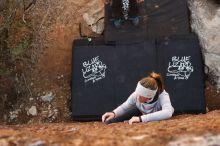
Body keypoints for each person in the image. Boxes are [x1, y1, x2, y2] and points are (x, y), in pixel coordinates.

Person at [102, 72, 174, 125]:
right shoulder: (136, 94)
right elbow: (125, 107)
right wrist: (113, 113)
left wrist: (141, 119)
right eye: (137, 93)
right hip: (142, 111)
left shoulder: (163, 95)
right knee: (111, 121)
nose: (137, 96)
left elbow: (167, 112)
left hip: (155, 114)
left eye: (140, 95)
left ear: (149, 97)